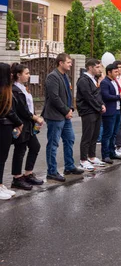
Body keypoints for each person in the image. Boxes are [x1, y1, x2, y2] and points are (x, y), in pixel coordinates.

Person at [42, 53, 84, 181]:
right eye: (68, 62)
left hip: (65, 115)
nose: (70, 64)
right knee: (53, 144)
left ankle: (69, 166)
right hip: (55, 116)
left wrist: (70, 108)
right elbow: (54, 97)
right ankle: (52, 172)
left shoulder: (65, 76)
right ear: (60, 63)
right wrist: (66, 110)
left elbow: (68, 94)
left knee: (69, 139)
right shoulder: (53, 77)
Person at [10, 63, 44, 191]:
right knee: (20, 150)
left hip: (29, 124)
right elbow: (22, 109)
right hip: (21, 123)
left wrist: (35, 118)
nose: (29, 76)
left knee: (35, 147)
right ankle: (17, 178)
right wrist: (35, 117)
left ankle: (28, 173)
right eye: (26, 73)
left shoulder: (23, 88)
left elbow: (29, 107)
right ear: (18, 75)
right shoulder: (15, 90)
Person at [76, 58, 106, 172]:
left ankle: (92, 157)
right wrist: (99, 106)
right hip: (88, 111)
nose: (99, 69)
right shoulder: (83, 80)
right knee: (87, 136)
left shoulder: (94, 80)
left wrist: (101, 104)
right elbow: (88, 97)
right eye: (97, 67)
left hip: (96, 111)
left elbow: (97, 95)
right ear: (90, 68)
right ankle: (83, 160)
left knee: (95, 135)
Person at [0, 63, 22, 199]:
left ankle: (1, 184)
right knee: (1, 158)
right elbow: (7, 109)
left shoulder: (5, 89)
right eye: (9, 72)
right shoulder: (2, 91)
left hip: (6, 126)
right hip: (2, 125)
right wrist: (19, 123)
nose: (11, 75)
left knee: (3, 158)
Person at [100, 63, 121, 165]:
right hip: (109, 112)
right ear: (109, 72)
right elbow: (106, 96)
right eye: (115, 72)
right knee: (107, 134)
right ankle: (105, 155)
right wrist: (118, 97)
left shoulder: (115, 81)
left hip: (117, 110)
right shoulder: (105, 83)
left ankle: (112, 152)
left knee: (114, 133)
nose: (117, 73)